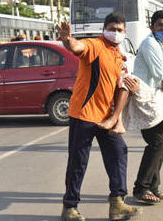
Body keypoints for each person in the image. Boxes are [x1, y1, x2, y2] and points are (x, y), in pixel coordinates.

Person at [57, 12, 138, 221]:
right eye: (112, 29)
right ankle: (69, 208)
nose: (116, 33)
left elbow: (120, 84)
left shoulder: (118, 54)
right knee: (78, 162)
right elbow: (78, 47)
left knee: (119, 152)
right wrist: (67, 40)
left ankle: (117, 203)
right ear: (104, 29)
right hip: (83, 114)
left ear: (125, 32)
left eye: (120, 30)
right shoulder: (95, 45)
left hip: (105, 117)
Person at [130, 10, 163, 204]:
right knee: (156, 143)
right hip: (147, 100)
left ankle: (154, 187)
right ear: (152, 27)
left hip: (159, 99)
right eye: (160, 25)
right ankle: (141, 188)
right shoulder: (150, 44)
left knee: (162, 145)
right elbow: (160, 76)